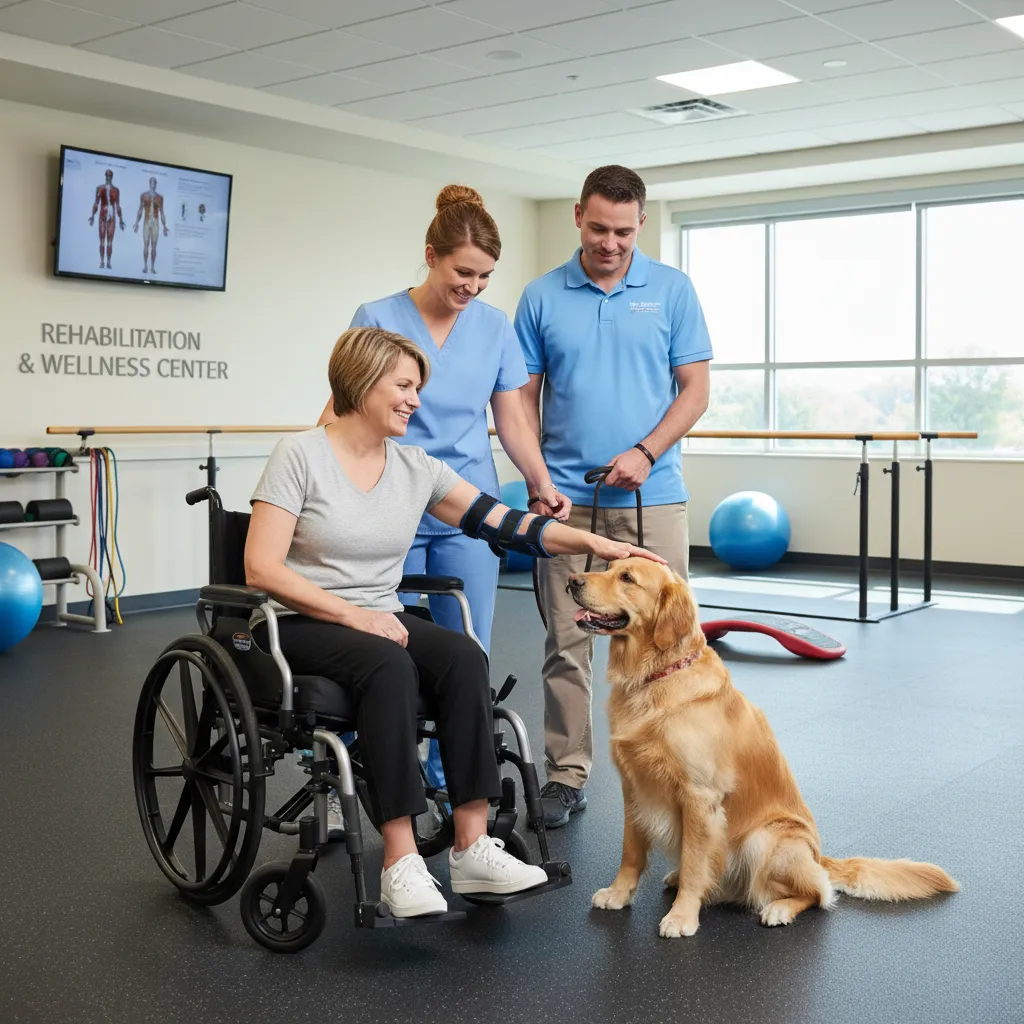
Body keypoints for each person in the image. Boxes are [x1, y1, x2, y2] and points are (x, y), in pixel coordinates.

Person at [246, 326, 662, 918]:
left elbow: (510, 523)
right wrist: (353, 615)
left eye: (418, 387)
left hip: (376, 615)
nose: (416, 400)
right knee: (389, 664)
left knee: (463, 654)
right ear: (362, 381)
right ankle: (400, 861)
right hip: (299, 620)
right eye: (405, 385)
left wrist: (601, 544)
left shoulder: (415, 467)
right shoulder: (301, 454)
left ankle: (471, 848)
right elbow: (260, 566)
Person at [515, 164, 713, 828]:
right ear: (577, 216)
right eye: (598, 228)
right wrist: (538, 481)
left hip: (652, 497)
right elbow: (518, 399)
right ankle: (567, 774)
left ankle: (682, 761)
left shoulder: (673, 290)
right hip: (566, 503)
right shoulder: (541, 297)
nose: (610, 243)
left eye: (623, 232)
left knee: (670, 640)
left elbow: (695, 390)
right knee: (568, 640)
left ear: (642, 224)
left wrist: (647, 450)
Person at [318, 185, 569, 652]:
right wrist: (312, 480)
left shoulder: (494, 326)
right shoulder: (377, 317)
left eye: (485, 276)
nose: (472, 287)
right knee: (385, 648)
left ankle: (459, 730)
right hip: (390, 507)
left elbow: (512, 419)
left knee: (469, 649)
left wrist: (541, 485)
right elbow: (340, 410)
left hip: (469, 506)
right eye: (463, 272)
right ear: (431, 256)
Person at [88, 169, 124, 270]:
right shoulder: (100, 188)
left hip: (111, 216)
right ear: (105, 176)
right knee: (102, 240)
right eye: (107, 175)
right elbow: (96, 203)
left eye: (110, 175)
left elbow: (118, 206)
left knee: (109, 241)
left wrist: (121, 219)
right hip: (103, 215)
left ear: (112, 177)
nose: (108, 177)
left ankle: (108, 262)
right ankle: (101, 262)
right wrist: (92, 216)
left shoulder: (116, 190)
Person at [133, 177, 168, 276]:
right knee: (146, 244)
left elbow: (162, 212)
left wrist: (164, 226)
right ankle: (145, 266)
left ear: (156, 184)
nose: (153, 184)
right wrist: (137, 222)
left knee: (153, 246)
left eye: (154, 183)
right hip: (147, 220)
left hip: (155, 221)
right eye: (151, 182)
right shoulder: (144, 196)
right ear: (149, 183)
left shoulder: (160, 198)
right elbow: (140, 209)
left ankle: (152, 267)